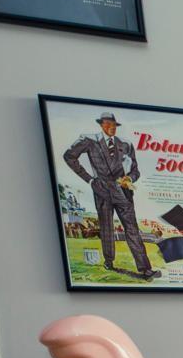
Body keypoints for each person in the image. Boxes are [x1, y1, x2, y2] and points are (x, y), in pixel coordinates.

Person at [61, 111, 155, 280]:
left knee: (132, 229)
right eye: (108, 124)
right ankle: (109, 261)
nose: (112, 127)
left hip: (124, 192)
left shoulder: (125, 144)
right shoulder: (89, 140)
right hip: (102, 190)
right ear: (101, 124)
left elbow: (135, 170)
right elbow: (69, 156)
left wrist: (130, 178)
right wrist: (89, 180)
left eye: (114, 125)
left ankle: (145, 269)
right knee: (106, 228)